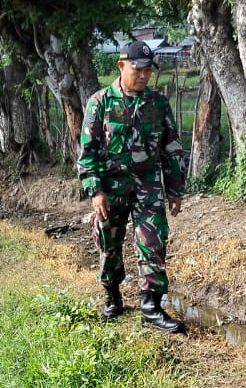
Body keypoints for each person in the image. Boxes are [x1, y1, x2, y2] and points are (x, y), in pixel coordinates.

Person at [77, 39, 188, 333]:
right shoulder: (100, 102)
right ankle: (112, 296)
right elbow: (87, 152)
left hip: (148, 185)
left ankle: (150, 305)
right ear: (121, 66)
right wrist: (96, 191)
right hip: (111, 188)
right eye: (137, 69)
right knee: (108, 242)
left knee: (153, 242)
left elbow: (171, 148)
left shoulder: (157, 103)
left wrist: (175, 189)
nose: (142, 75)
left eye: (148, 70)